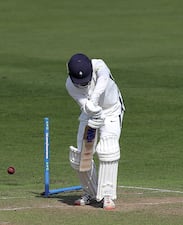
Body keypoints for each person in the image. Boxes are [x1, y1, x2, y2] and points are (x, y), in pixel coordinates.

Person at [65, 53, 125, 210]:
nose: (82, 85)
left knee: (108, 148)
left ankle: (107, 195)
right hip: (90, 114)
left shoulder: (99, 66)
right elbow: (84, 105)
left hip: (111, 110)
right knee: (81, 156)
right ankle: (90, 192)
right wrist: (92, 110)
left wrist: (95, 100)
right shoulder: (70, 85)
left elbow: (103, 82)